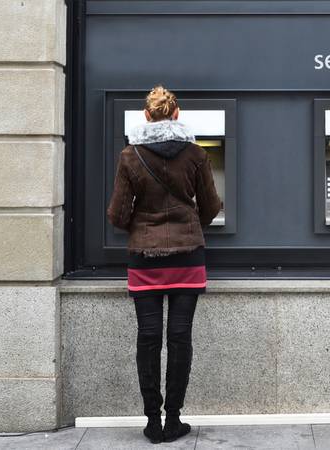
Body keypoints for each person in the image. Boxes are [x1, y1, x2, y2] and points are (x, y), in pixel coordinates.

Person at [106, 85, 222, 444]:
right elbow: (212, 205)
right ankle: (174, 419)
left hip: (146, 258)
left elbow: (117, 214)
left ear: (145, 116)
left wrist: (141, 226)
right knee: (180, 336)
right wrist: (188, 225)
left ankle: (153, 422)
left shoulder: (130, 156)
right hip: (188, 257)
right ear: (176, 115)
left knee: (149, 337)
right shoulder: (196, 154)